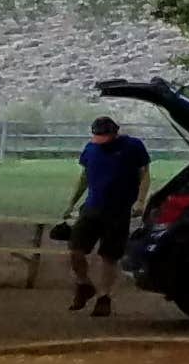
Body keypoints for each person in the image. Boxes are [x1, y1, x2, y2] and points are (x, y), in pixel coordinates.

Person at [64, 114, 149, 316]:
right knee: (75, 249)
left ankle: (104, 297)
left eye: (104, 137)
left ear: (114, 133)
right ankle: (84, 285)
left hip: (118, 210)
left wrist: (140, 200)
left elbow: (144, 174)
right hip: (92, 207)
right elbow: (84, 177)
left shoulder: (133, 146)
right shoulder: (91, 148)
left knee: (109, 256)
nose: (100, 141)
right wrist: (72, 202)